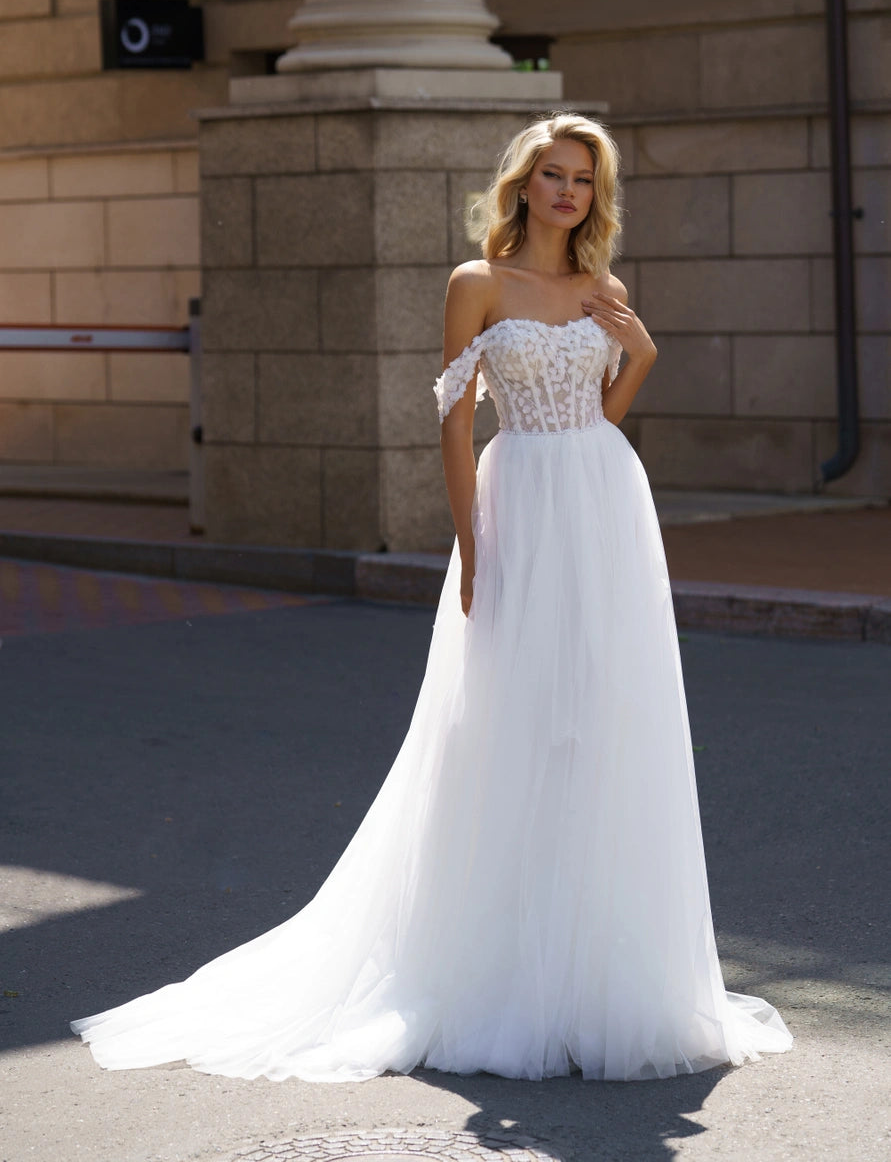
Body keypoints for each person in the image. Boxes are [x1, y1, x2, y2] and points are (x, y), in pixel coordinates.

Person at [72, 112, 792, 1083]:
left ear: (595, 194)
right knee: (508, 722)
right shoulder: (476, 285)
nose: (569, 191)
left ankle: (594, 973)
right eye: (553, 174)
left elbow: (598, 418)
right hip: (523, 507)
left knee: (597, 721)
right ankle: (500, 966)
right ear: (524, 185)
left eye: (584, 177)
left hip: (606, 508)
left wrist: (644, 357)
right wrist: (473, 543)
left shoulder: (605, 292)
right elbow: (455, 428)